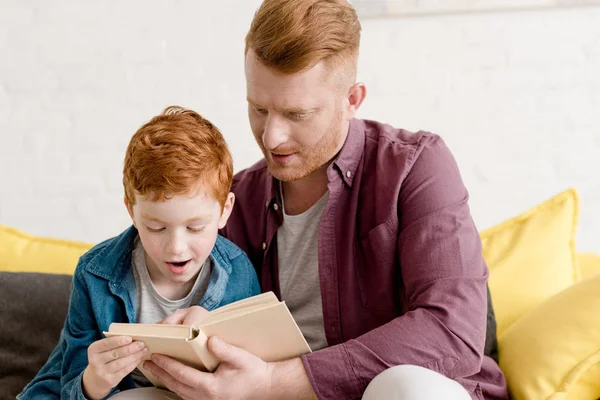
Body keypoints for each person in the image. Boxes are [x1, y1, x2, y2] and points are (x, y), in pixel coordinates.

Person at [142, 0, 510, 399]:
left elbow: (452, 332)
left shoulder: (416, 166)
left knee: (406, 388)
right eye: (258, 109)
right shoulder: (235, 199)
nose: (271, 138)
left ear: (352, 99)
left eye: (296, 114)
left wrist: (273, 382)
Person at [18, 106, 260, 399]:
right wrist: (95, 379)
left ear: (225, 211)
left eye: (195, 227)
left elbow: (251, 377)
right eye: (157, 228)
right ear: (132, 212)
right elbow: (72, 382)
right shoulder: (94, 273)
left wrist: (211, 334)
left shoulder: (239, 273)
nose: (176, 247)